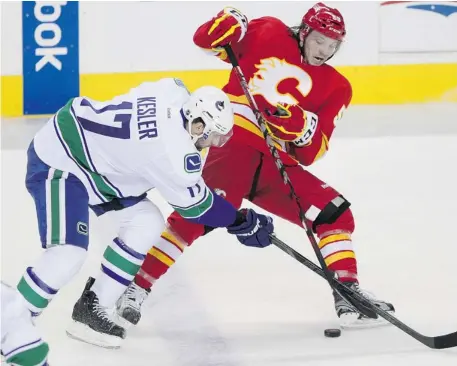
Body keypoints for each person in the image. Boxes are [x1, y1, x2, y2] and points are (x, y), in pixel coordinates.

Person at [116, 3, 395, 330]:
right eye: (320, 40)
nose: (325, 50)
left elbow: (311, 151)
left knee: (333, 213)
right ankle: (135, 287)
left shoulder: (337, 87)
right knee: (194, 218)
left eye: (333, 45)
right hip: (233, 146)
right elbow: (206, 41)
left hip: (273, 165)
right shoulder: (268, 31)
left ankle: (347, 291)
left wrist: (302, 129)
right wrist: (224, 23)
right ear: (305, 30)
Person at [4, 77, 274, 354]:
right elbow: (198, 208)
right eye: (212, 135)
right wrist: (240, 221)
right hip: (62, 160)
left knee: (147, 222)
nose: (214, 143)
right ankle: (10, 324)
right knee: (68, 251)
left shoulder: (171, 91)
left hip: (97, 162)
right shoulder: (174, 155)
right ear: (198, 124)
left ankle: (91, 309)